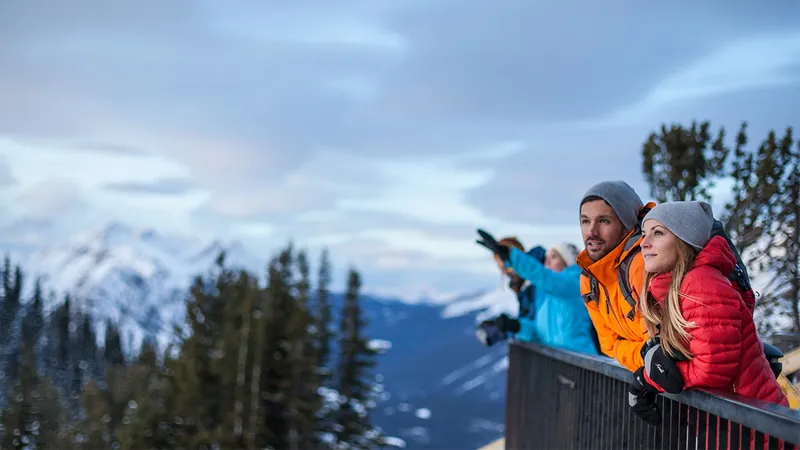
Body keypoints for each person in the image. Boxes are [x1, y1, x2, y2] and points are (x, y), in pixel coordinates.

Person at [628, 201, 789, 426]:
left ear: (684, 241)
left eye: (658, 233)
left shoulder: (702, 284)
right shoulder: (677, 287)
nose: (644, 243)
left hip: (752, 425)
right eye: (644, 234)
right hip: (732, 420)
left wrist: (649, 379)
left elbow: (712, 369)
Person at [475, 232, 599, 356]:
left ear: (567, 261)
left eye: (554, 257)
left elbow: (544, 276)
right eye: (546, 258)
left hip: (582, 362)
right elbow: (538, 334)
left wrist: (511, 256)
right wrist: (516, 326)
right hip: (557, 362)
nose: (547, 262)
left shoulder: (575, 283)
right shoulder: (543, 295)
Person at [577, 181, 656, 371]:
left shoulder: (643, 265)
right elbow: (609, 346)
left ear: (626, 224)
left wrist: (628, 350)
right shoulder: (589, 278)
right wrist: (641, 356)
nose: (591, 232)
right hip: (646, 379)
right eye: (585, 221)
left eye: (604, 221)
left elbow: (658, 349)